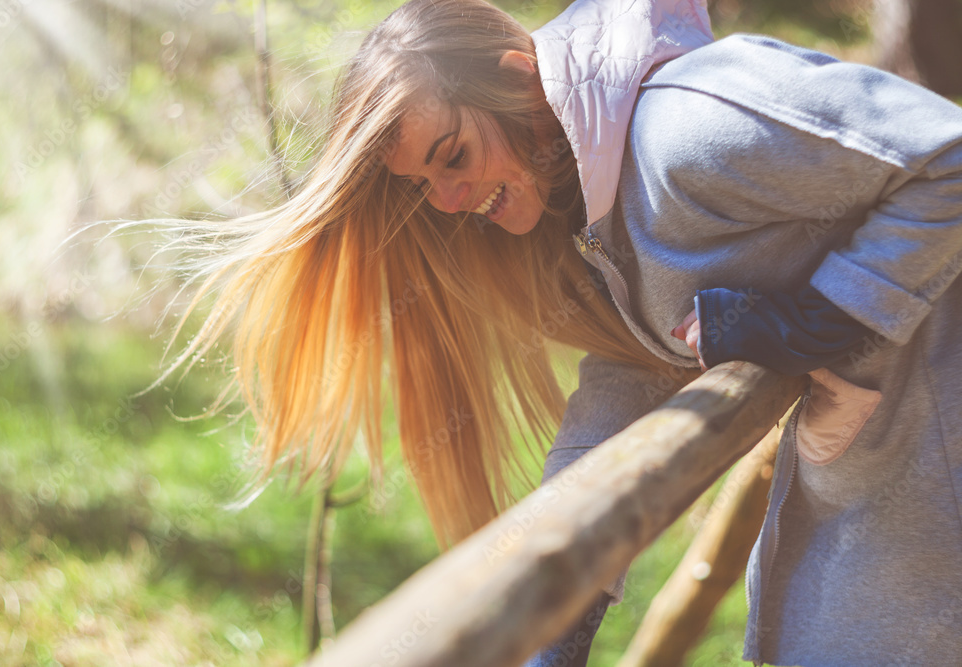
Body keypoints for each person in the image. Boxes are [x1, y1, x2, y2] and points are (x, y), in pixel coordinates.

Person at [164, 0, 962, 665]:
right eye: (423, 183)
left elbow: (948, 157)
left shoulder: (690, 124)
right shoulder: (602, 219)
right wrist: (559, 619)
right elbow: (631, 375)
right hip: (878, 535)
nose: (446, 199)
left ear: (520, 79)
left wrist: (823, 321)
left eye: (453, 155)